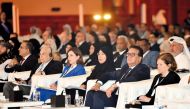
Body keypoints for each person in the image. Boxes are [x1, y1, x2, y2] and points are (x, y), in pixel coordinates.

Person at [85, 46, 150, 109]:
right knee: (91, 92)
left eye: (132, 54)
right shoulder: (125, 67)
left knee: (98, 95)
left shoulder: (143, 68)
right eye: (128, 54)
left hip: (124, 99)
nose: (128, 56)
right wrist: (98, 84)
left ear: (140, 58)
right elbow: (108, 75)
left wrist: (114, 86)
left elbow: (133, 78)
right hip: (115, 96)